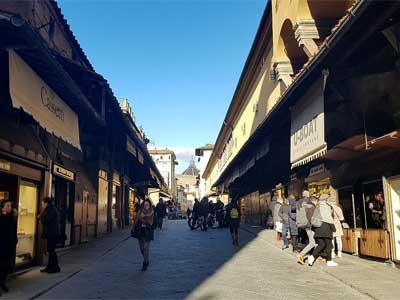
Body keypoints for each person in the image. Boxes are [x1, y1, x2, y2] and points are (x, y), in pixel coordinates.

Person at [307, 194, 338, 267]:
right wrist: (333, 228)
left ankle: (312, 257)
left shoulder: (318, 205)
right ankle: (329, 261)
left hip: (318, 228)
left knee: (321, 244)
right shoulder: (325, 206)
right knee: (329, 245)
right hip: (325, 227)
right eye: (328, 199)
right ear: (325, 199)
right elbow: (328, 218)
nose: (328, 200)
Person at [38, 197, 61, 273]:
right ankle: (50, 267)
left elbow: (46, 220)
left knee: (51, 251)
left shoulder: (50, 209)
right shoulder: (50, 208)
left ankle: (55, 267)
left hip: (52, 233)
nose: (42, 205)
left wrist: (40, 218)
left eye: (42, 203)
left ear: (46, 203)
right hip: (52, 233)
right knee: (51, 251)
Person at [0, 200, 17, 295]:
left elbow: (13, 231)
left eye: (10, 206)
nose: (9, 207)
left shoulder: (12, 218)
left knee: (6, 266)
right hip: (1, 245)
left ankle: (3, 283)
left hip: (9, 245)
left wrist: (15, 240)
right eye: (7, 205)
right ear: (2, 208)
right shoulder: (1, 218)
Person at [296, 191, 316, 265]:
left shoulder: (298, 203)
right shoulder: (310, 203)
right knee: (313, 242)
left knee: (312, 241)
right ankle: (301, 255)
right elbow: (311, 215)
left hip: (303, 224)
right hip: (309, 225)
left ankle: (313, 255)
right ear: (308, 195)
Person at [134, 199, 155, 271]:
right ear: (143, 205)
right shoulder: (139, 212)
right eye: (145, 205)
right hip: (140, 231)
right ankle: (146, 259)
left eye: (147, 205)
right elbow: (135, 220)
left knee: (146, 248)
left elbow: (153, 223)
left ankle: (145, 263)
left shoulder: (152, 212)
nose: (146, 206)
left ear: (149, 206)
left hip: (148, 232)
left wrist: (145, 220)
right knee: (141, 249)